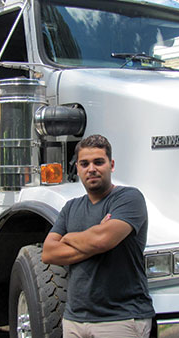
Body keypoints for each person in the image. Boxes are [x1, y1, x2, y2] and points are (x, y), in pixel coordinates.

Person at [42, 134, 155, 338]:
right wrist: (93, 240)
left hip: (121, 319)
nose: (91, 169)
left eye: (98, 162)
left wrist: (68, 238)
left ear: (111, 165)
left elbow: (103, 240)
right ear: (77, 168)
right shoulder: (70, 207)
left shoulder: (129, 198)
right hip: (74, 320)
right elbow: (49, 253)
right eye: (84, 163)